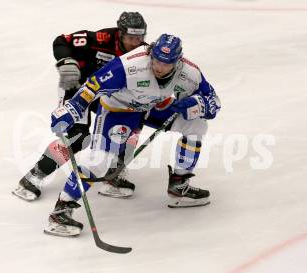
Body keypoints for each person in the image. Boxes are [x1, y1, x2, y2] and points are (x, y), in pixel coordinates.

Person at [46, 33, 221, 236]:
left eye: (166, 63)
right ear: (150, 54)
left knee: (197, 126)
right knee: (100, 161)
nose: (159, 67)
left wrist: (197, 105)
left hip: (153, 106)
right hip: (119, 110)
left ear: (177, 62)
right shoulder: (130, 65)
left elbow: (214, 102)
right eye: (156, 60)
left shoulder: (189, 73)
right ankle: (61, 210)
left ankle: (179, 187)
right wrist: (70, 110)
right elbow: (92, 86)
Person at [12, 12, 148, 201]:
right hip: (79, 91)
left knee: (120, 134)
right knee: (77, 136)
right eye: (131, 37)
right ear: (120, 33)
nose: (136, 42)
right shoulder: (99, 40)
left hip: (111, 98)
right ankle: (34, 176)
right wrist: (66, 62)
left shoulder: (144, 53)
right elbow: (61, 41)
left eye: (140, 37)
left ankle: (110, 176)